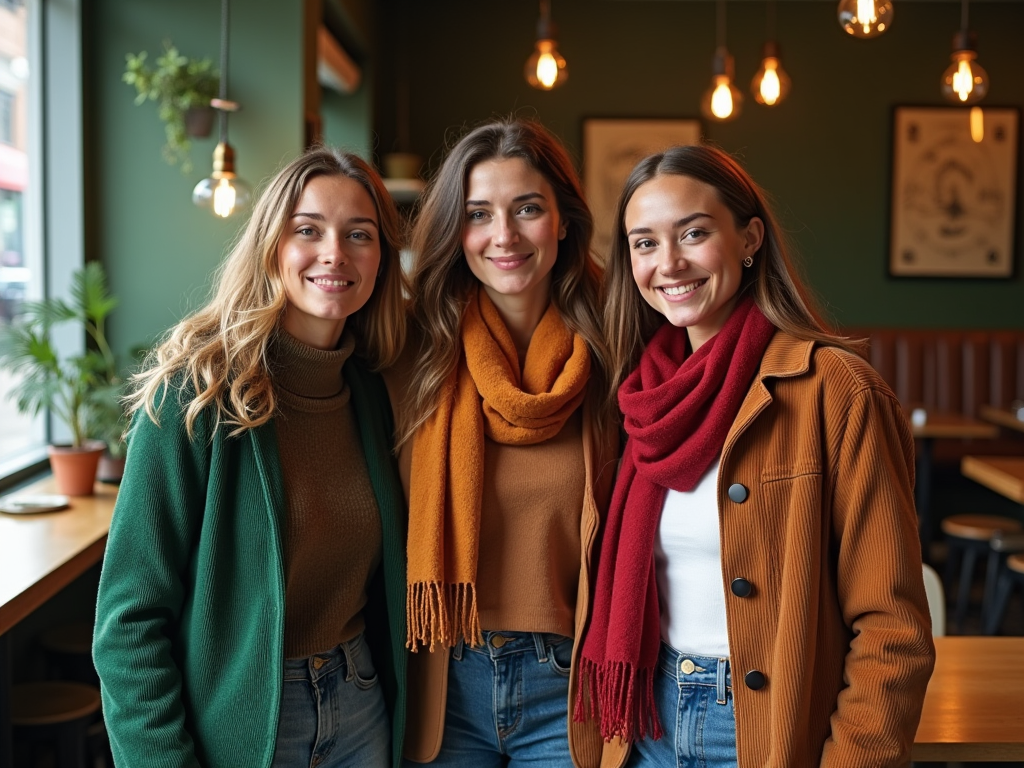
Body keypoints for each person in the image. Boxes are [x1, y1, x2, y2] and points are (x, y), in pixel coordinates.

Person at [576, 144, 935, 767]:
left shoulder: (835, 390)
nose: (670, 262)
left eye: (693, 232)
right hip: (645, 724)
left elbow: (891, 628)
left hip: (763, 729)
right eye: (644, 243)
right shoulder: (636, 397)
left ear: (750, 239)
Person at [93, 148, 408, 768]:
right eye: (308, 229)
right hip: (243, 720)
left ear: (381, 259)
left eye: (359, 235)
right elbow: (128, 621)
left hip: (360, 701)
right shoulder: (196, 391)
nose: (334, 254)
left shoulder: (374, 390)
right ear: (271, 246)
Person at [385, 118, 620, 767]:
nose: (504, 236)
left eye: (528, 210)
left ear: (564, 221)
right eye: (479, 214)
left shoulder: (618, 350)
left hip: (570, 684)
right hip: (444, 680)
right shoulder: (413, 351)